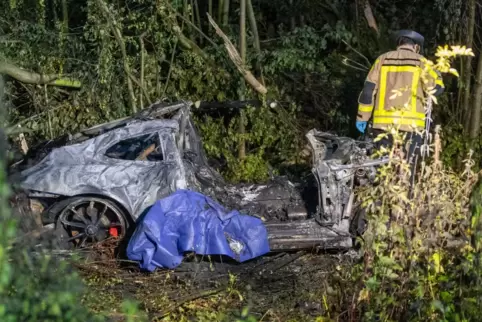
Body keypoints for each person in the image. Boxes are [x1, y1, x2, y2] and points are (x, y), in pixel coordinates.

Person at [355, 30, 445, 191]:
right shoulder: (422, 62)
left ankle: (380, 206)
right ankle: (399, 211)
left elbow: (368, 90)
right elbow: (436, 89)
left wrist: (362, 117)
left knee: (383, 169)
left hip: (382, 127)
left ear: (398, 44)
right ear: (416, 47)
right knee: (406, 171)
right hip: (411, 128)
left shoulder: (382, 59)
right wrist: (437, 74)